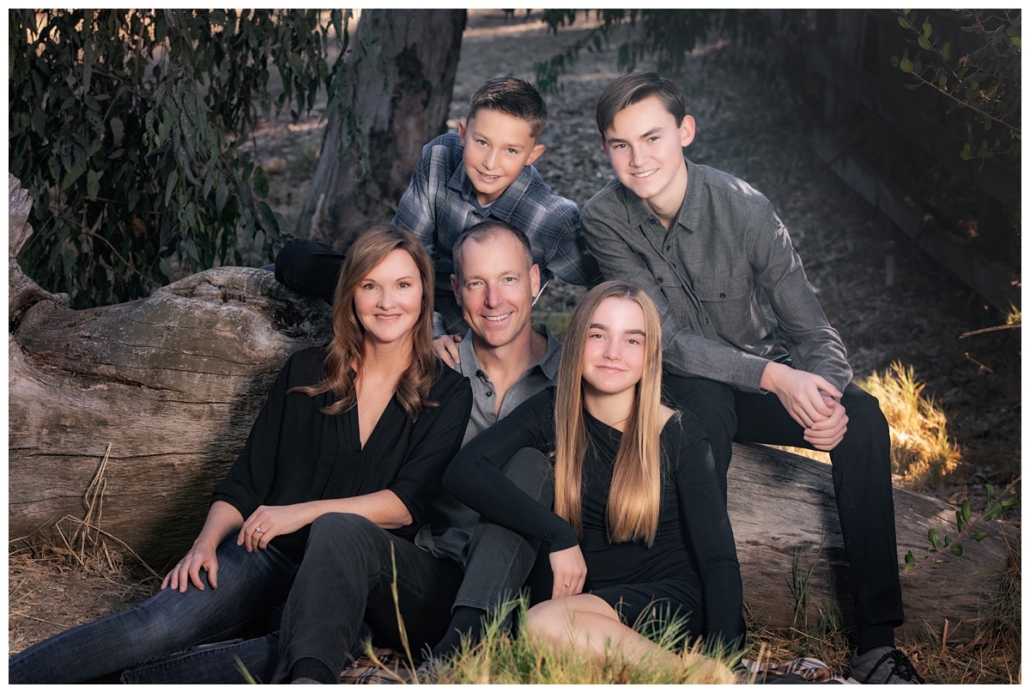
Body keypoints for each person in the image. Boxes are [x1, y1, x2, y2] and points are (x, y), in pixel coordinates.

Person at [8, 224, 473, 685]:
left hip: (348, 580)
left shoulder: (447, 392)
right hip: (263, 552)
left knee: (298, 653)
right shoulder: (306, 370)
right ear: (350, 293)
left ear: (424, 295)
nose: (387, 302)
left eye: (402, 285)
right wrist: (204, 545)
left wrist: (298, 513)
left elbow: (405, 504)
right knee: (154, 625)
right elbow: (247, 480)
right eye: (370, 286)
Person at [579, 71, 923, 684]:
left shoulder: (745, 207)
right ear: (605, 149)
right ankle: (718, 635)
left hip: (761, 377)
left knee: (866, 418)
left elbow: (814, 332)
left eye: (652, 137)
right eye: (619, 144)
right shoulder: (604, 217)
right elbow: (670, 342)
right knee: (704, 407)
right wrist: (774, 378)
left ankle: (876, 643)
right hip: (682, 382)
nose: (638, 158)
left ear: (686, 131)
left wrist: (824, 396)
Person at [444, 281, 745, 671]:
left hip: (662, 602)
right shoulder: (554, 410)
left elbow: (719, 559)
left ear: (649, 355)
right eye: (598, 334)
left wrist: (725, 654)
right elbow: (463, 471)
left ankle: (701, 676)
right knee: (524, 467)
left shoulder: (679, 434)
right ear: (577, 339)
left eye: (632, 341)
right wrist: (558, 533)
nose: (612, 353)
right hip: (583, 602)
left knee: (543, 624)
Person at [273, 75, 601, 347]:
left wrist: (590, 344)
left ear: (533, 154)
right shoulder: (441, 157)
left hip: (472, 333)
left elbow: (606, 282)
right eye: (481, 142)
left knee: (437, 379)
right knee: (298, 259)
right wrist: (427, 328)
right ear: (463, 134)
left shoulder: (551, 219)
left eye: (511, 150)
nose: (490, 162)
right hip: (411, 298)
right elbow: (399, 251)